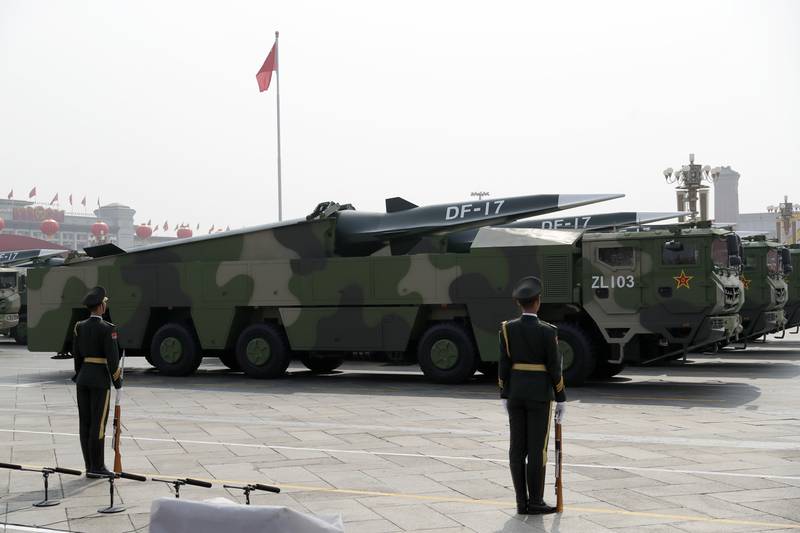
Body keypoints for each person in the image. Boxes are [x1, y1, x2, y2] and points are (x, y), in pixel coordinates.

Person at [498, 276, 566, 515]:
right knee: (537, 449)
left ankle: (520, 502)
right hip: (539, 396)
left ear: (520, 304)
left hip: (515, 394)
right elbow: (554, 367)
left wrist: (504, 393)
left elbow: (504, 364)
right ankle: (535, 501)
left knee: (517, 449)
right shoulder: (548, 332)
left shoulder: (507, 329)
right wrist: (561, 397)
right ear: (537, 302)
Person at [72, 286, 122, 478]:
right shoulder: (108, 329)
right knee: (98, 424)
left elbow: (76, 356)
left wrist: (80, 374)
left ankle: (89, 465)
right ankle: (98, 467)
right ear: (101, 306)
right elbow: (113, 359)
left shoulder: (79, 326)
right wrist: (117, 381)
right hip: (100, 380)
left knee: (84, 423)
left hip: (83, 378)